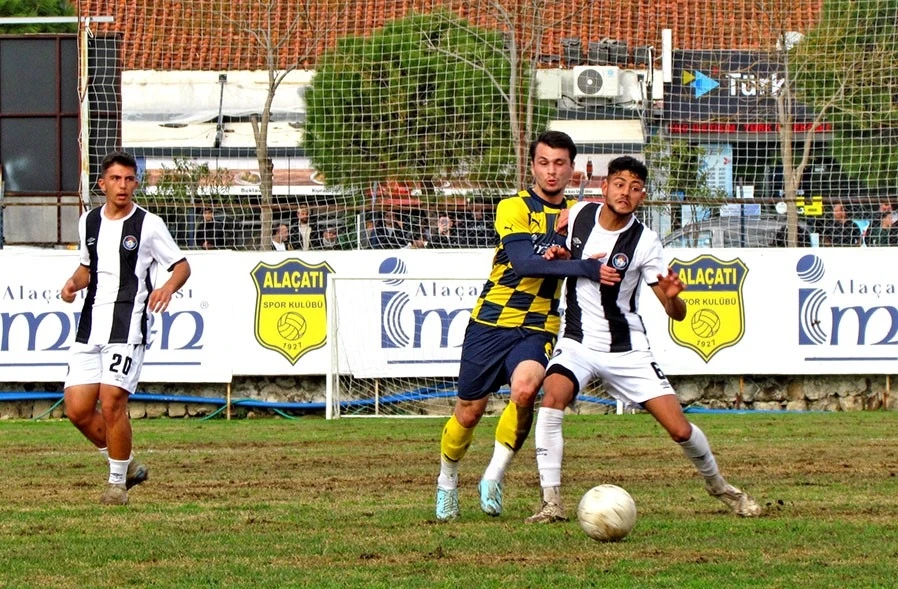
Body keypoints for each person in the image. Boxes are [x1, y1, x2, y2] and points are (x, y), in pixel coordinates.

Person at [525, 155, 761, 524]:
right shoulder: (579, 215)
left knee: (680, 429)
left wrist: (671, 296)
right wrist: (559, 253)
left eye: (635, 188)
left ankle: (720, 487)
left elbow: (676, 314)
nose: (626, 193)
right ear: (605, 187)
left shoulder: (646, 242)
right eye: (619, 184)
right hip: (577, 342)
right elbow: (565, 255)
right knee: (552, 396)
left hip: (627, 348)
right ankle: (551, 503)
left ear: (642, 196)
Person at [435, 130, 621, 522]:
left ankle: (493, 476)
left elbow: (619, 211)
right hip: (490, 321)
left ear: (572, 169)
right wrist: (583, 265)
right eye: (543, 163)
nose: (551, 172)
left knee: (525, 389)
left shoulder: (581, 217)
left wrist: (587, 206)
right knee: (468, 413)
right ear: (532, 166)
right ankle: (447, 480)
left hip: (539, 324)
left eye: (559, 164)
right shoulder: (512, 207)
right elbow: (524, 263)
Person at [61, 151, 191, 505]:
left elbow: (181, 266)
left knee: (113, 399)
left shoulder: (148, 224)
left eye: (129, 179)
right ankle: (128, 464)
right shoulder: (88, 221)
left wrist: (166, 287)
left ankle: (117, 484)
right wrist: (72, 284)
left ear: (136, 183)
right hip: (90, 325)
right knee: (77, 409)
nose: (123, 185)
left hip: (128, 323)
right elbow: (87, 268)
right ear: (102, 184)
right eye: (116, 179)